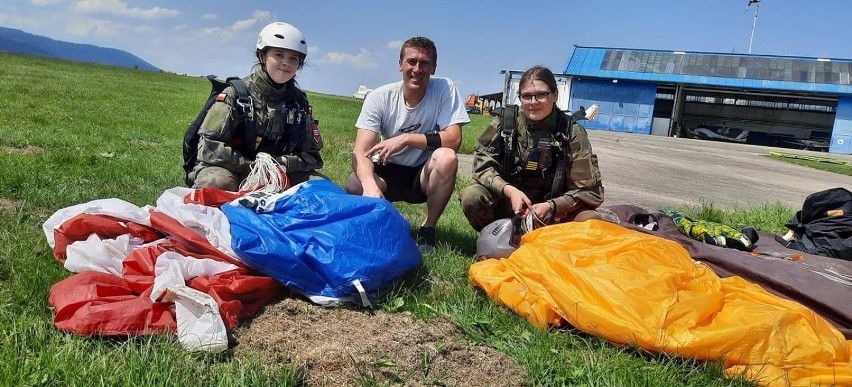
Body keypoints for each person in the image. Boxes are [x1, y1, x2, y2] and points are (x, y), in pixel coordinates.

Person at [345, 36, 470, 252]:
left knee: (447, 157)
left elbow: (454, 139)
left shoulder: (445, 89)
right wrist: (370, 186)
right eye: (411, 61)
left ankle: (427, 229)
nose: (417, 69)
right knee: (355, 183)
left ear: (434, 68)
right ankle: (380, 220)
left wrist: (405, 139)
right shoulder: (379, 97)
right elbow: (360, 150)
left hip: (421, 175)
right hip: (387, 169)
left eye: (425, 63)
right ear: (400, 64)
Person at [459, 65, 604, 232]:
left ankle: (556, 246)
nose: (533, 103)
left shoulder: (571, 131)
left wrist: (552, 206)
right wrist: (509, 191)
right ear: (520, 98)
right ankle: (496, 237)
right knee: (472, 196)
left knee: (590, 219)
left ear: (555, 95)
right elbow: (481, 166)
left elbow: (590, 191)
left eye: (541, 95)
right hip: (509, 207)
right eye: (527, 96)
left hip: (553, 214)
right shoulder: (505, 123)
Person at [187, 21, 324, 191]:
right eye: (279, 55)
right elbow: (209, 148)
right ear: (262, 56)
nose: (285, 63)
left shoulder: (299, 103)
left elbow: (312, 156)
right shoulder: (236, 94)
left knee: (320, 188)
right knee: (216, 183)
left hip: (278, 172)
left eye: (293, 59)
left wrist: (283, 163)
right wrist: (254, 167)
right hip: (232, 169)